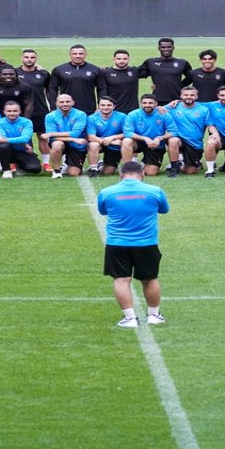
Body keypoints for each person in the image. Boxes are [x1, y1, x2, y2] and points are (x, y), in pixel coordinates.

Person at [97, 160, 171, 328]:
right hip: (147, 243)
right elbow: (164, 209)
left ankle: (130, 318)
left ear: (120, 175)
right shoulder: (155, 191)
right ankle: (154, 315)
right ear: (142, 174)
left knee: (121, 280)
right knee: (150, 279)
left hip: (117, 243)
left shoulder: (107, 192)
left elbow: (102, 211)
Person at [121, 94, 181, 177]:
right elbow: (127, 132)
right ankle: (127, 169)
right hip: (139, 142)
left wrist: (160, 138)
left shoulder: (163, 113)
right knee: (127, 141)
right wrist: (144, 138)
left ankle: (173, 167)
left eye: (150, 103)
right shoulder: (133, 114)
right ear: (141, 103)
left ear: (156, 104)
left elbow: (174, 132)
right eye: (144, 103)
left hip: (155, 144)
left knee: (151, 172)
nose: (147, 105)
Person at [164, 86, 216, 176]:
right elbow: (155, 109)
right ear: (181, 96)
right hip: (179, 139)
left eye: (192, 95)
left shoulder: (204, 109)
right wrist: (161, 107)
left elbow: (210, 125)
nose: (189, 97)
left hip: (194, 144)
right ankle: (174, 168)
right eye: (186, 95)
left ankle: (183, 163)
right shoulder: (173, 107)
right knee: (173, 140)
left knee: (190, 171)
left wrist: (215, 134)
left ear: (196, 97)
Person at [16, 48, 52, 160]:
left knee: (43, 136)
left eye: (32, 57)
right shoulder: (15, 72)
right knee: (24, 137)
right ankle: (26, 161)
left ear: (36, 59)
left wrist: (52, 107)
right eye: (26, 57)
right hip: (22, 111)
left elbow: (49, 91)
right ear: (21, 58)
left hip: (41, 110)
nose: (29, 60)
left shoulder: (44, 74)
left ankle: (46, 162)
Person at [43, 93, 90, 178]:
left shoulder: (81, 114)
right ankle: (57, 171)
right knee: (57, 144)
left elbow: (75, 133)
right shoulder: (50, 116)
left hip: (76, 146)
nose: (65, 104)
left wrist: (51, 134)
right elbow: (53, 138)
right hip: (67, 142)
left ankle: (67, 164)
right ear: (57, 103)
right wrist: (73, 139)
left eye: (67, 101)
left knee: (74, 173)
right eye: (61, 102)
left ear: (73, 102)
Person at [48, 44, 104, 114]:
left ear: (85, 54)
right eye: (74, 54)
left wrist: (101, 106)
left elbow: (101, 89)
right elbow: (53, 88)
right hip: (65, 109)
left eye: (81, 54)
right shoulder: (59, 69)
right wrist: (53, 107)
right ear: (70, 55)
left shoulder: (95, 70)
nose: (78, 56)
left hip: (89, 109)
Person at [0, 101, 43, 178]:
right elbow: (1, 140)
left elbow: (25, 138)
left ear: (19, 111)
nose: (12, 113)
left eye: (15, 111)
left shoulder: (27, 122)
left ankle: (21, 166)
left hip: (23, 151)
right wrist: (21, 141)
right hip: (6, 151)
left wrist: (7, 140)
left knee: (35, 168)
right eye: (9, 111)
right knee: (3, 146)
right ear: (4, 112)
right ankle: (6, 170)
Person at [138, 37, 192, 105]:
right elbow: (137, 74)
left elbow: (191, 77)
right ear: (159, 48)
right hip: (157, 100)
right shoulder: (150, 62)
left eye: (169, 47)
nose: (166, 49)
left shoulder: (182, 62)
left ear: (173, 48)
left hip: (176, 99)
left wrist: (180, 86)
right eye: (163, 47)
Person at [86, 96, 128, 177]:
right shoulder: (91, 118)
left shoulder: (122, 116)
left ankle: (101, 165)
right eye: (103, 105)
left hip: (114, 145)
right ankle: (94, 169)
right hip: (100, 143)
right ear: (98, 106)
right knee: (92, 144)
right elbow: (91, 137)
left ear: (114, 106)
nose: (106, 107)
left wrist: (111, 138)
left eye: (109, 105)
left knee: (107, 172)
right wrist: (104, 141)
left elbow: (127, 133)